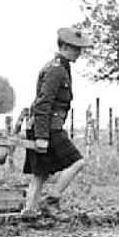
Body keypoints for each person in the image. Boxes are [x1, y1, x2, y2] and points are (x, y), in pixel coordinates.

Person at [21, 28, 91, 218]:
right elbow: (44, 103)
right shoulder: (56, 70)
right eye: (76, 49)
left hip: (44, 126)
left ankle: (28, 211)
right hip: (48, 128)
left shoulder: (61, 67)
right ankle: (51, 200)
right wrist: (42, 136)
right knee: (77, 162)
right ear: (65, 47)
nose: (79, 53)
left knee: (41, 173)